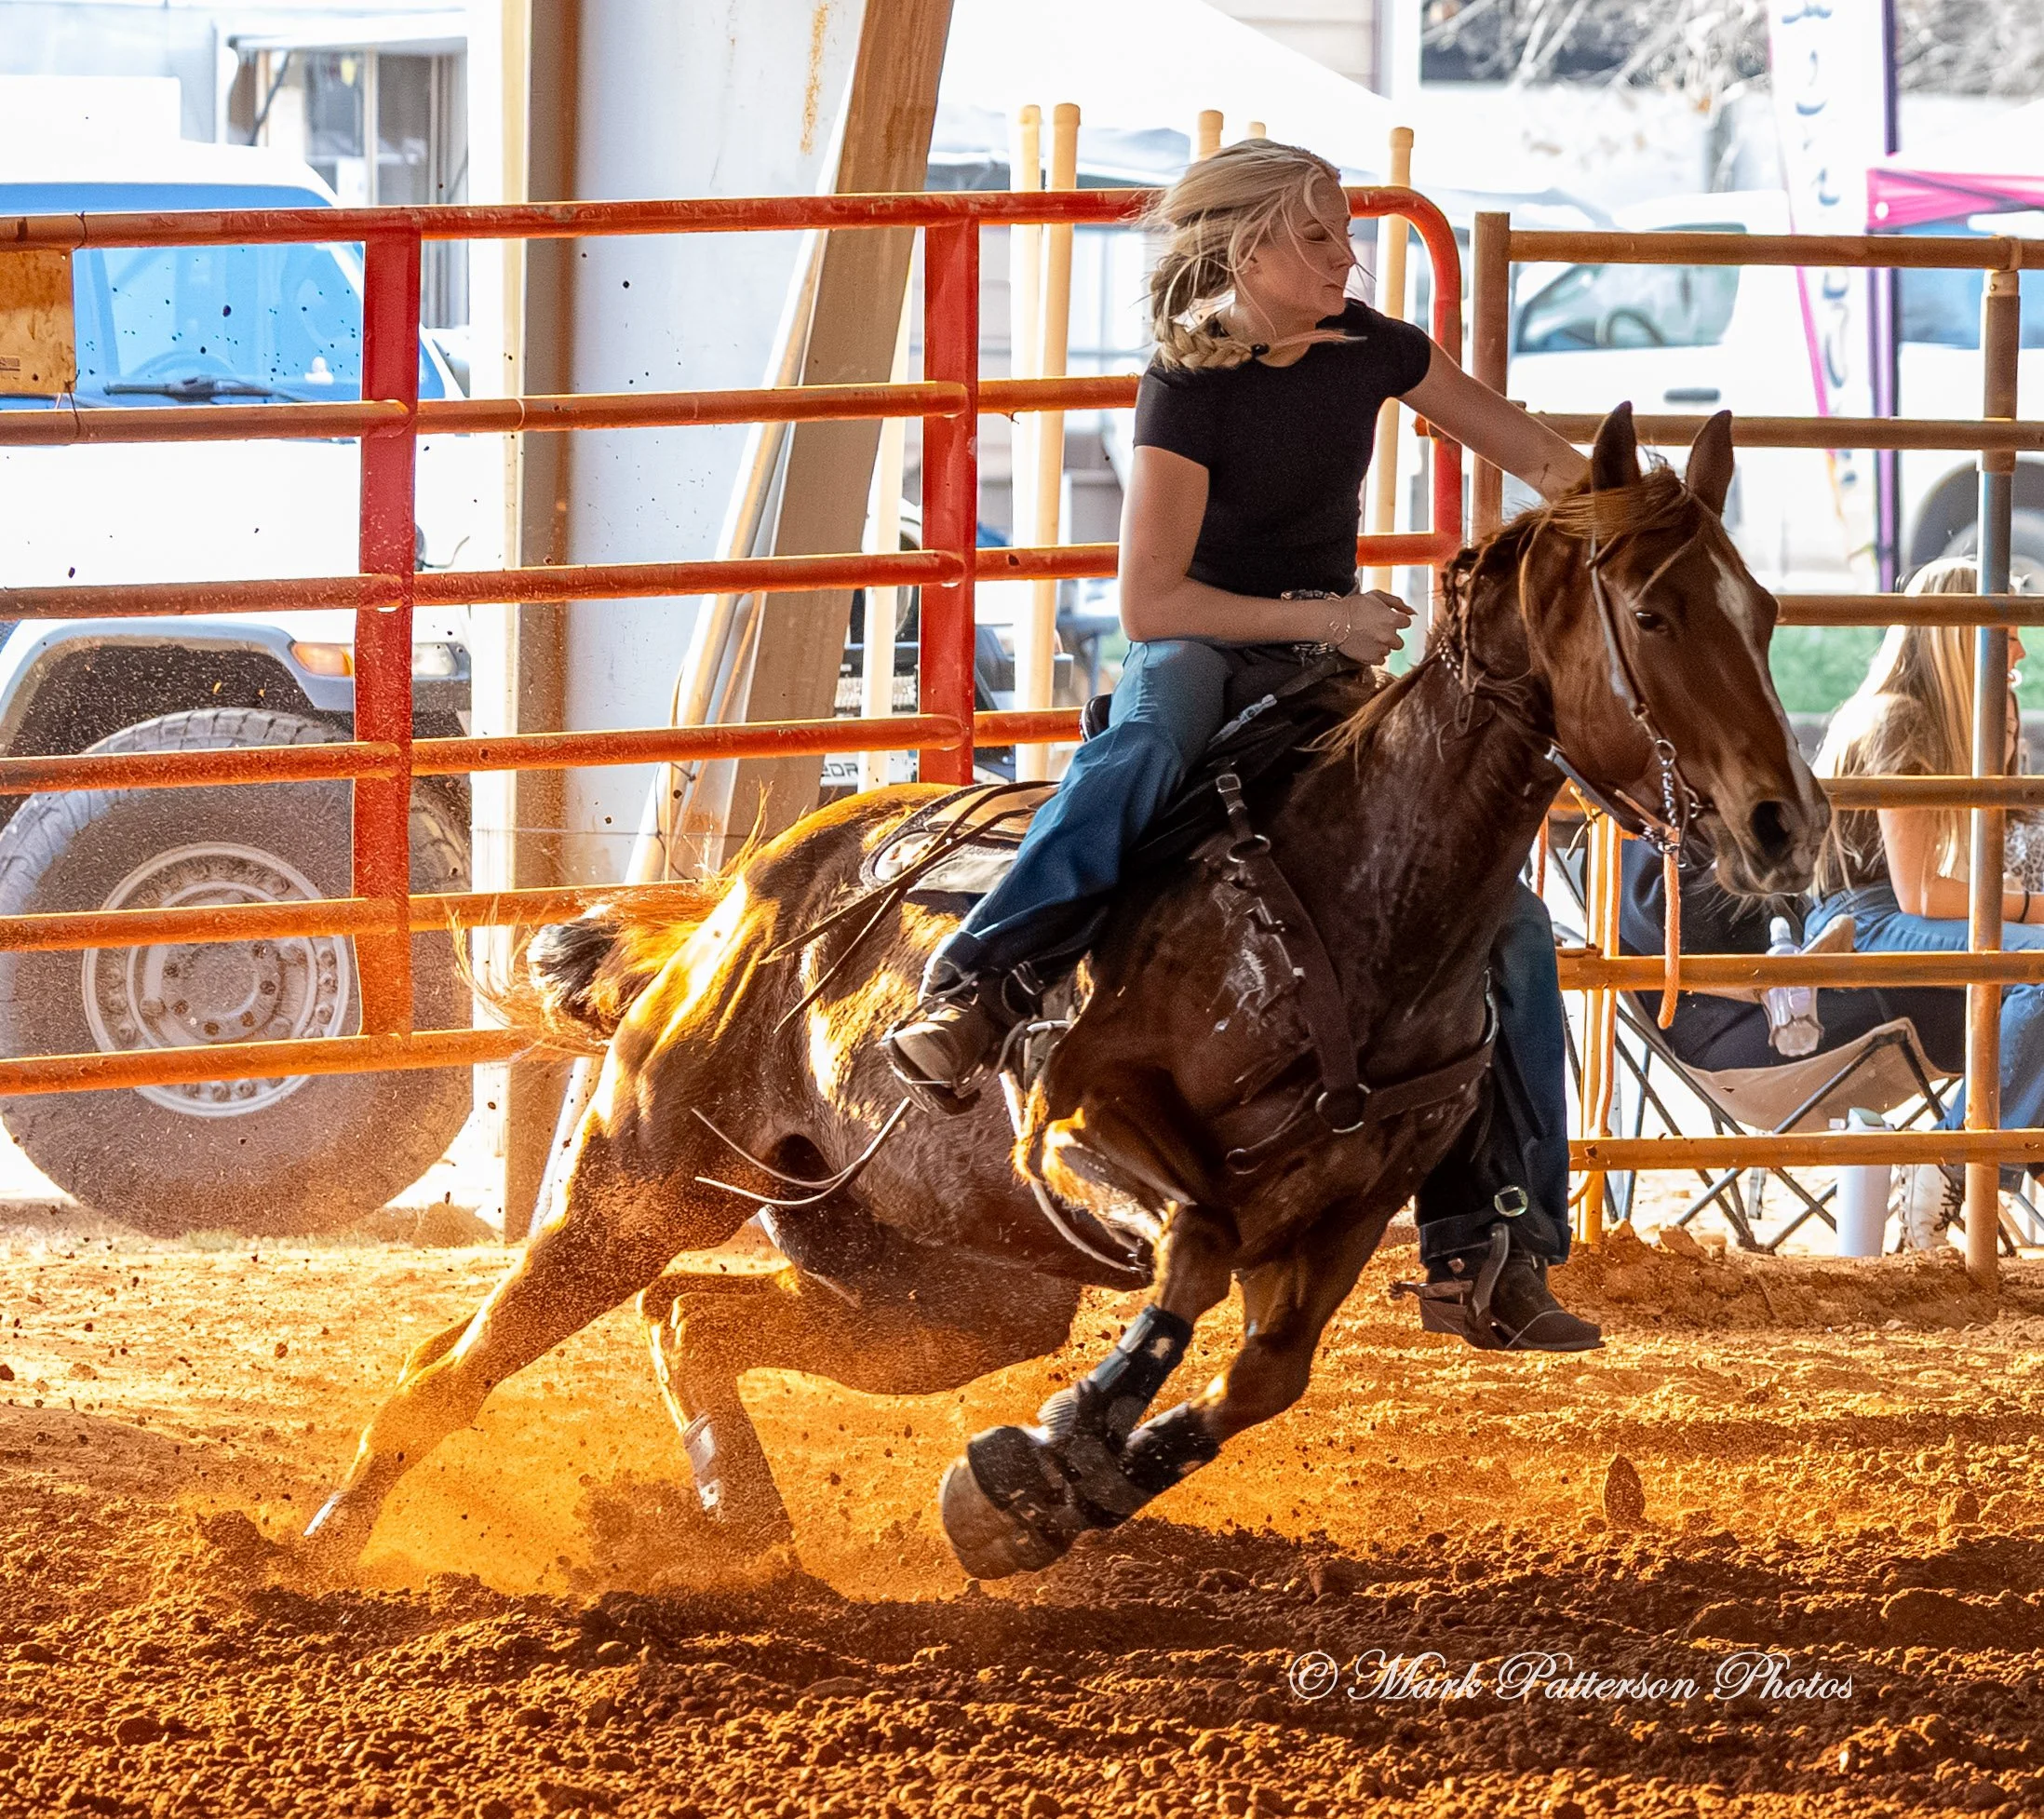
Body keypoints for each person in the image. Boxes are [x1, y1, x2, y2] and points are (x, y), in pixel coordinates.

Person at [884, 139, 1600, 1349]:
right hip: (1206, 645)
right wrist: (1327, 619)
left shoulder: (1375, 349)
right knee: (1148, 743)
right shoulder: (1188, 381)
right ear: (1248, 249)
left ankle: (1490, 1244)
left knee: (1507, 922)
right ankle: (978, 982)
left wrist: (1635, 513)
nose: (1345, 257)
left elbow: (1537, 457)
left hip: (1323, 664)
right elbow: (1153, 602)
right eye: (1318, 235)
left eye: (1343, 233)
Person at [1808, 558, 2043, 1245]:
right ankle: (1950, 1158)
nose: (2021, 651)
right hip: (1862, 918)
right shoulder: (1901, 721)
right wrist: (2035, 907)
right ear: (1962, 633)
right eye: (2007, 631)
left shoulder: (1930, 719)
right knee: (2033, 969)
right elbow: (1920, 892)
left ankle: (1967, 1162)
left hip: (1886, 909)